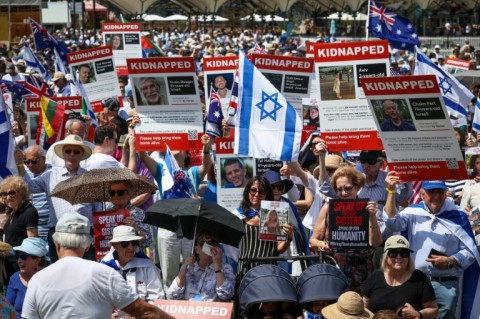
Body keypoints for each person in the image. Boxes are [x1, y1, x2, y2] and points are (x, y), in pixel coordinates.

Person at [21, 213, 173, 318]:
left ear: (56, 244)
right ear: (87, 245)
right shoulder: (104, 273)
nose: (130, 247)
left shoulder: (37, 280)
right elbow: (144, 312)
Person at [383, 179, 480, 319]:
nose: (436, 196)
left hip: (445, 284)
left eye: (440, 192)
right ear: (422, 195)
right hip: (415, 282)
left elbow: (470, 251)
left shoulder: (458, 215)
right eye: (431, 192)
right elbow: (392, 223)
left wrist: (450, 261)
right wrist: (391, 191)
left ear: (446, 194)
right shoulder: (412, 213)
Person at [17, 134, 96, 262]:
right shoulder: (50, 175)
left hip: (84, 233)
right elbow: (30, 187)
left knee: (84, 273)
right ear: (63, 154)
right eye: (68, 151)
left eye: (76, 151)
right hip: (58, 233)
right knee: (59, 274)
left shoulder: (89, 178)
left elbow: (97, 209)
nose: (72, 154)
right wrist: (20, 165)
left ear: (81, 155)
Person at [310, 166, 382, 292]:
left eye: (348, 188)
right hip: (335, 266)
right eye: (339, 189)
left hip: (362, 269)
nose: (343, 193)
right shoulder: (328, 209)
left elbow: (376, 243)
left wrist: (372, 217)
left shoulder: (368, 208)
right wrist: (321, 244)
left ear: (357, 186)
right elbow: (313, 239)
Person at [232, 176, 294, 283]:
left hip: (268, 270)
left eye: (261, 192)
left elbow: (280, 249)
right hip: (246, 269)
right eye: (253, 190)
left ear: (267, 194)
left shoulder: (275, 214)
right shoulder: (238, 215)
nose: (256, 194)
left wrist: (289, 238)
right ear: (247, 191)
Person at [361, 235, 438, 318]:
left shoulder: (419, 278)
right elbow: (365, 306)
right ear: (385, 256)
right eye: (393, 253)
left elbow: (434, 309)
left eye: (403, 253)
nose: (399, 257)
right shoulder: (375, 276)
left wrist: (418, 314)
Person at [101, 225, 164, 303]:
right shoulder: (103, 268)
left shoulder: (148, 267)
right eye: (125, 244)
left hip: (142, 314)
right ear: (114, 245)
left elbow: (157, 299)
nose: (131, 248)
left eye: (134, 243)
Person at [168, 230, 235, 301]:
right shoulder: (189, 267)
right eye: (202, 243)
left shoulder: (225, 268)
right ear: (196, 249)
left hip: (211, 310)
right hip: (190, 310)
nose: (207, 247)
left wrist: (217, 266)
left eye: (211, 243)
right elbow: (172, 295)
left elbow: (226, 295)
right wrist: (185, 268)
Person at [0, 176, 39, 282]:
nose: (7, 197)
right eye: (4, 194)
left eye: (11, 193)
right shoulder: (13, 211)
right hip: (9, 265)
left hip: (22, 266)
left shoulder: (29, 212)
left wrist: (11, 252)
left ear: (21, 193)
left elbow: (33, 244)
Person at [6, 237, 48, 319]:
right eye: (17, 256)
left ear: (37, 260)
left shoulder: (50, 279)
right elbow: (7, 310)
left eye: (23, 257)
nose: (19, 261)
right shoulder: (15, 278)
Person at [105, 180, 153, 248]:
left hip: (133, 255)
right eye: (112, 193)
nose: (116, 195)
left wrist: (136, 230)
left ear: (128, 193)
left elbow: (148, 241)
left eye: (120, 192)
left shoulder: (138, 213)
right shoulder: (106, 214)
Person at [23, 145, 51, 244]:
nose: (29, 165)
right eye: (26, 162)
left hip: (50, 230)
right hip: (30, 229)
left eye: (33, 161)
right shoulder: (24, 172)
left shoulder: (54, 172)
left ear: (43, 159)